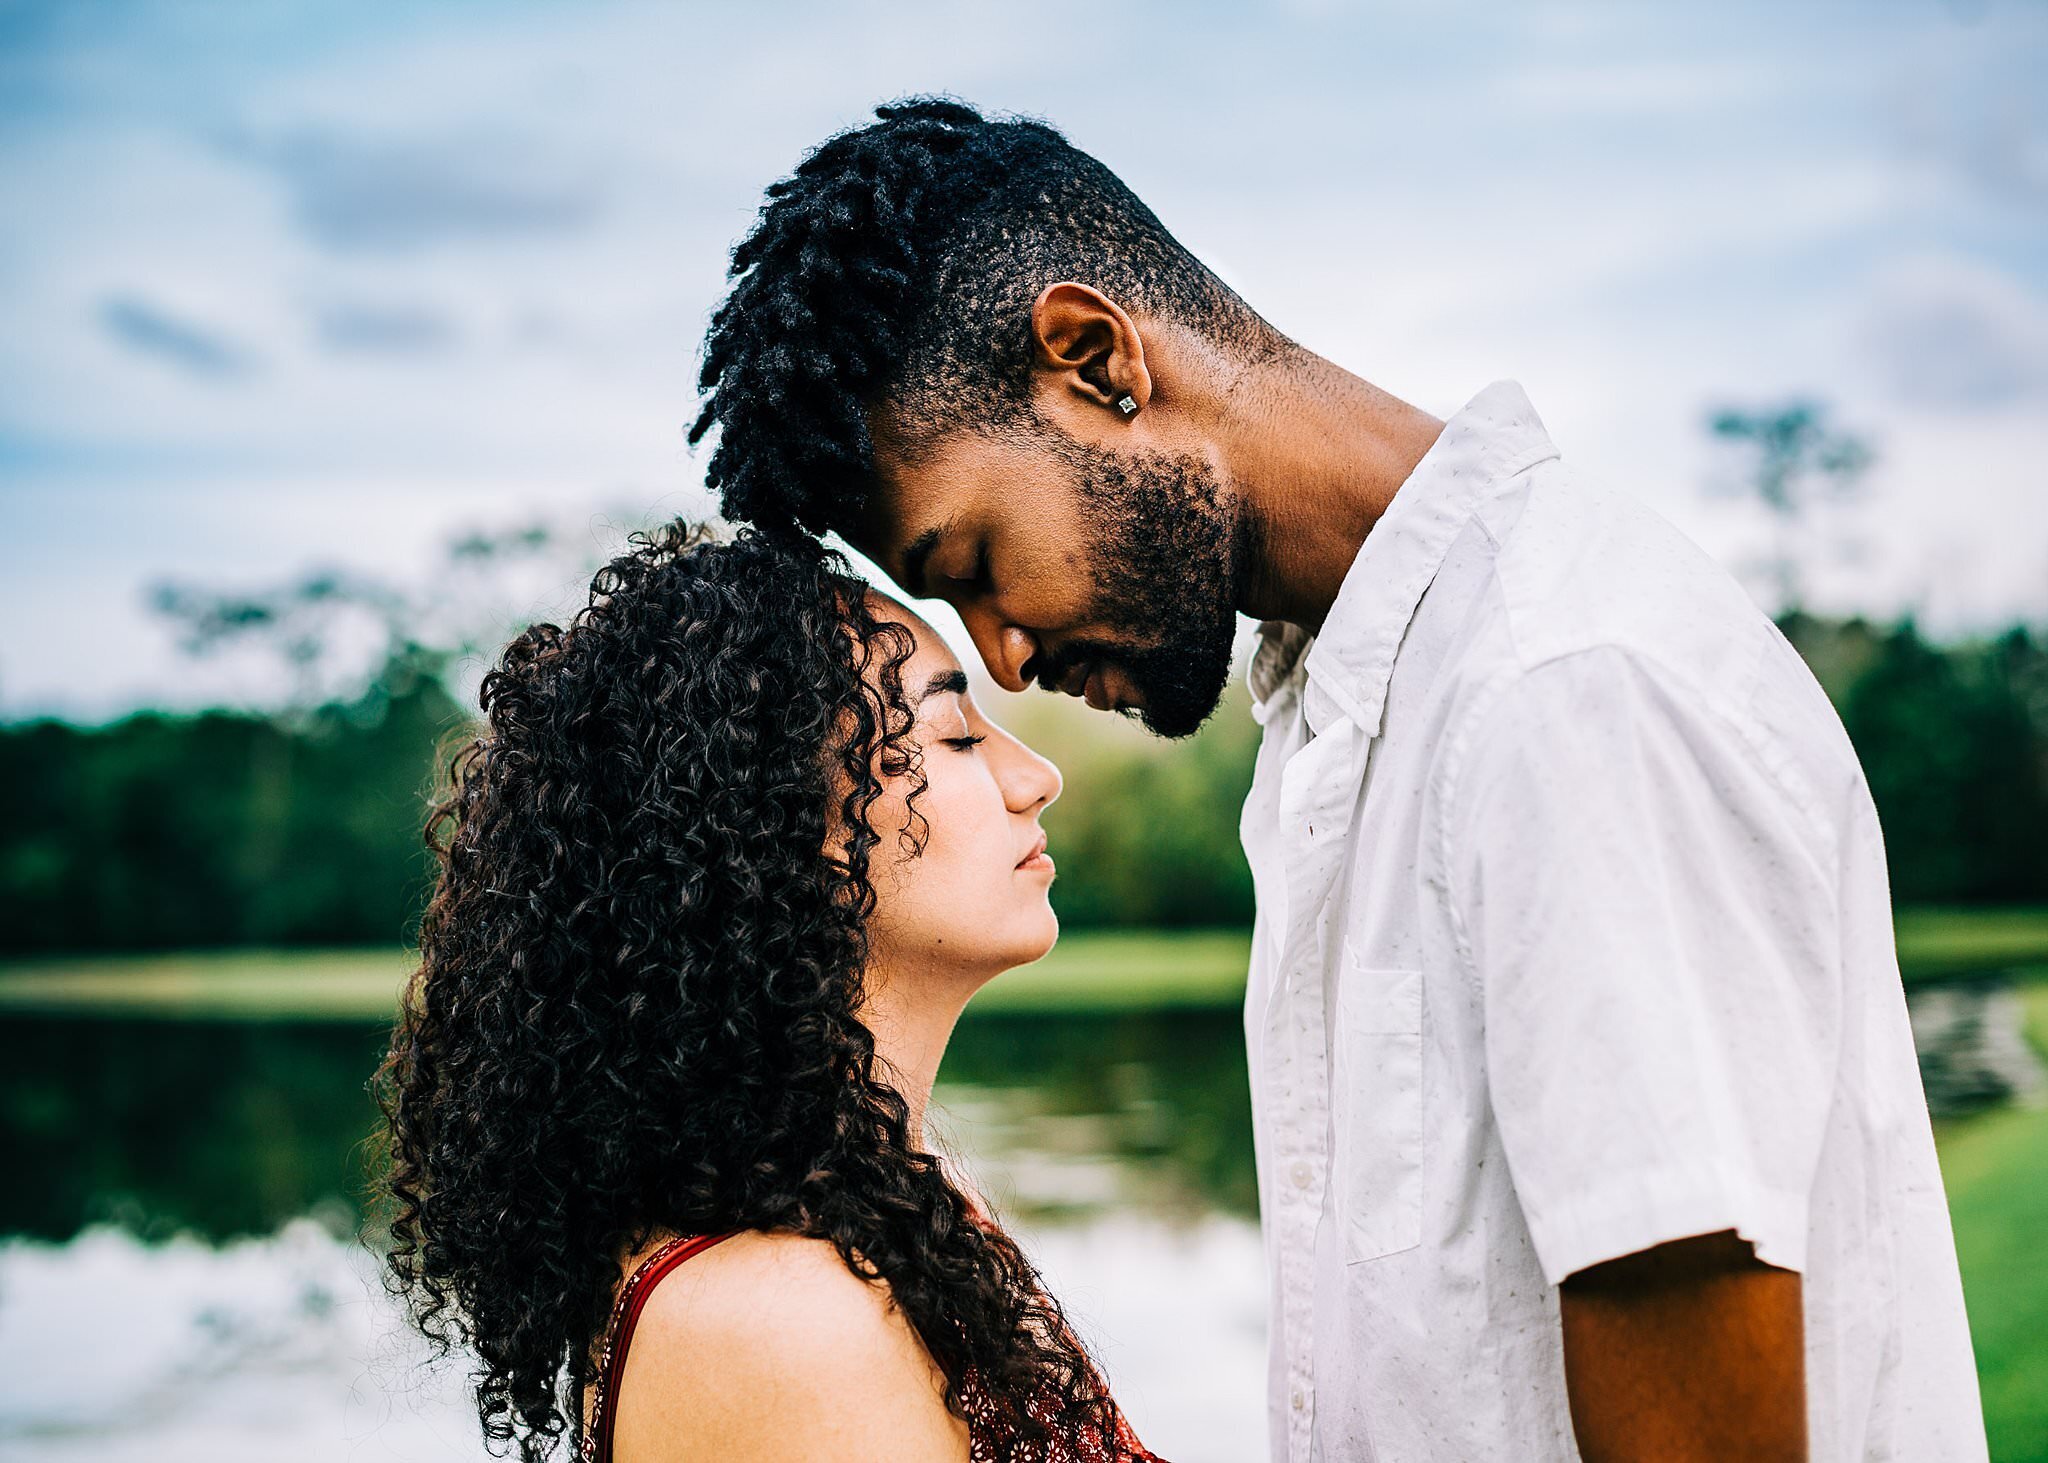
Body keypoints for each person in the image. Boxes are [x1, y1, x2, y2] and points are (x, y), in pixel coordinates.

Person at [688, 97, 1988, 1461]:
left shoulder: (1557, 686)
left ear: (1097, 364)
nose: (1004, 660)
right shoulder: (1363, 708)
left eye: (974, 564)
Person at [378, 524, 1161, 1463]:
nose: (1038, 777)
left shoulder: (888, 1214)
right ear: (783, 830)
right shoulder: (779, 1323)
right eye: (955, 735)